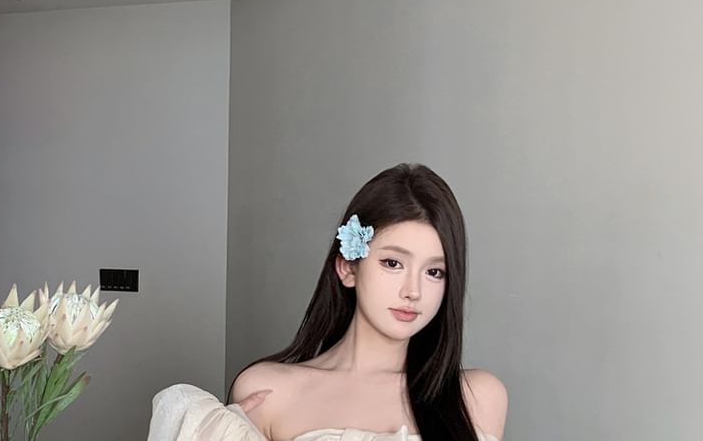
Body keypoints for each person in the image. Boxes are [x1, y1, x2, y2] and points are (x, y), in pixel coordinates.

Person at [147, 163, 507, 440]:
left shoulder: (476, 397)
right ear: (348, 267)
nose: (413, 291)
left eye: (434, 272)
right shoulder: (271, 391)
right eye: (392, 263)